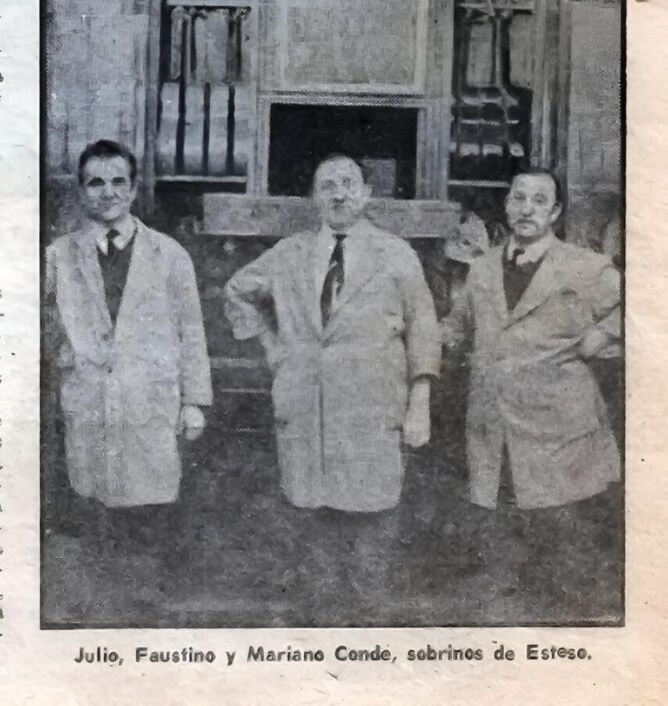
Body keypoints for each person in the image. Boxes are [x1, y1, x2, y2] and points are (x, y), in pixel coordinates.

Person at [223, 154, 441, 615]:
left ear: (366, 195)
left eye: (348, 184)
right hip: (308, 411)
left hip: (371, 411)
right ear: (314, 198)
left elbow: (424, 326)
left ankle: (366, 645)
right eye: (327, 185)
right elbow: (238, 293)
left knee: (370, 537)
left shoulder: (396, 254)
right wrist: (274, 347)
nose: (338, 193)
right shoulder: (289, 253)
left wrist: (420, 399)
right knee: (313, 536)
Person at [442, 170, 621, 602]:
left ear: (556, 212)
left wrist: (605, 336)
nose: (526, 209)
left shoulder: (585, 266)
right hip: (495, 423)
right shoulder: (482, 269)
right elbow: (458, 327)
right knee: (503, 535)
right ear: (506, 205)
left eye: (539, 201)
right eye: (518, 198)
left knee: (562, 543)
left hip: (560, 429)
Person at [45, 139, 212, 553]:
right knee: (92, 510)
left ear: (134, 189)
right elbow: (39, 326)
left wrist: (194, 402)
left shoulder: (170, 255)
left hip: (149, 405)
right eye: (95, 182)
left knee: (147, 519)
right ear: (82, 191)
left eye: (118, 181)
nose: (108, 192)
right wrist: (66, 357)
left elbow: (191, 331)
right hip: (90, 403)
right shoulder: (58, 256)